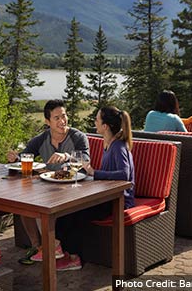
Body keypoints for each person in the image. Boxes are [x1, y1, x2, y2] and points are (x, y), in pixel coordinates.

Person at [50, 106, 136, 271]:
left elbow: (124, 175)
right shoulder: (109, 144)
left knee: (74, 213)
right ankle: (65, 252)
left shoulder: (118, 146)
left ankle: (73, 257)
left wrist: (93, 172)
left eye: (97, 120)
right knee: (65, 211)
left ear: (105, 126)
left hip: (119, 200)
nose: (94, 122)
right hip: (107, 196)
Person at [6, 99, 90, 263]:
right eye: (57, 118)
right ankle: (38, 247)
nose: (62, 121)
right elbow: (25, 156)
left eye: (64, 116)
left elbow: (85, 161)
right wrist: (14, 158)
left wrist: (66, 156)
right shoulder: (41, 138)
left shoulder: (78, 137)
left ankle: (51, 246)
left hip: (74, 187)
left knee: (40, 202)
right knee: (23, 202)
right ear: (47, 121)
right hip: (49, 186)